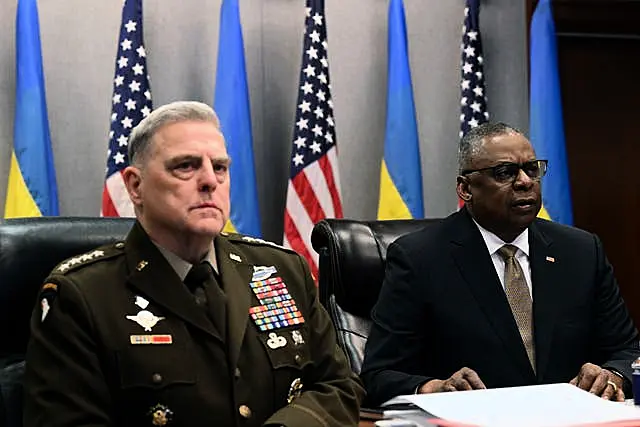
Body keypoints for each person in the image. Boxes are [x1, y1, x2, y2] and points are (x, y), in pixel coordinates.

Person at [23, 101, 364, 426]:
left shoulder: (282, 269)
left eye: (220, 167)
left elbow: (338, 386)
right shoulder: (82, 295)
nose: (209, 181)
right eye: (185, 166)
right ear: (135, 186)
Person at [360, 122, 640, 406]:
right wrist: (435, 388)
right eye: (505, 173)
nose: (525, 182)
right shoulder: (419, 258)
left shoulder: (581, 251)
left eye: (532, 169)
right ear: (466, 188)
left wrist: (613, 376)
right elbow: (379, 374)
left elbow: (629, 352)